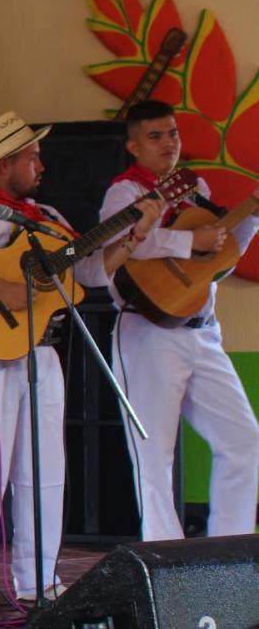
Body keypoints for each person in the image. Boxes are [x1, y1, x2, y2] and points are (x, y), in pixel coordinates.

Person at [0, 112, 161, 617]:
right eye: (31, 156)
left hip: (44, 349)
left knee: (45, 470)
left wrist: (131, 237)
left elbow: (87, 273)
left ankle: (38, 578)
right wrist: (9, 290)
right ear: (4, 163)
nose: (41, 164)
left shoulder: (48, 218)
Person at [101, 99, 259, 542]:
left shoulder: (194, 186)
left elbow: (218, 257)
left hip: (202, 332)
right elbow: (116, 249)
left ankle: (231, 550)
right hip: (148, 331)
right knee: (153, 457)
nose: (168, 143)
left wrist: (251, 218)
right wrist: (188, 239)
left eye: (172, 133)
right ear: (133, 146)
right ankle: (166, 561)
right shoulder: (124, 192)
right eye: (155, 136)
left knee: (243, 438)